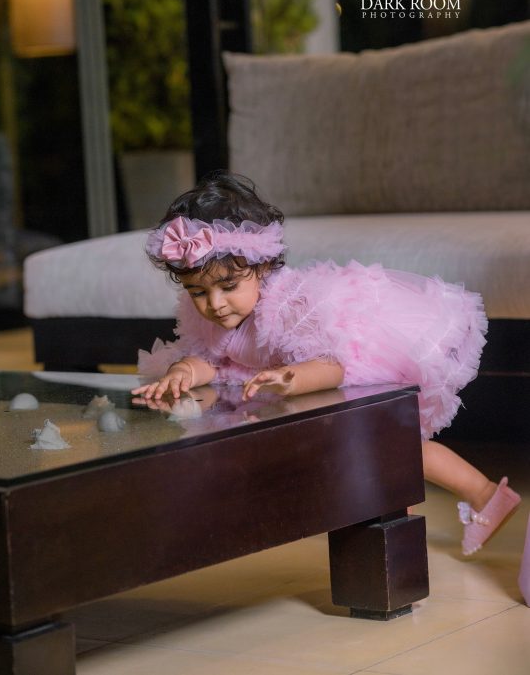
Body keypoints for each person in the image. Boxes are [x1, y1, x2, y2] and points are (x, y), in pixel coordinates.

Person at [132, 171, 521, 556]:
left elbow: (333, 366)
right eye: (198, 292)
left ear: (262, 267)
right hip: (286, 386)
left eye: (228, 287)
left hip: (341, 373)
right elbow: (209, 359)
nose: (214, 304)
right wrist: (183, 372)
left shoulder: (291, 305)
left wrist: (291, 377)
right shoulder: (205, 315)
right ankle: (392, 523)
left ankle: (484, 494)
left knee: (396, 446)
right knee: (368, 456)